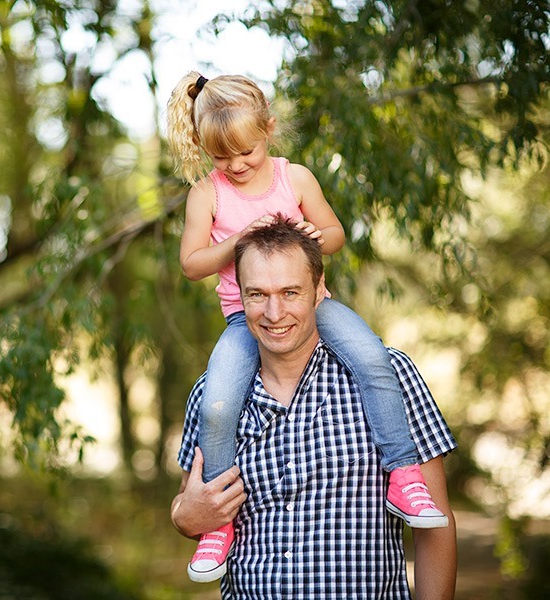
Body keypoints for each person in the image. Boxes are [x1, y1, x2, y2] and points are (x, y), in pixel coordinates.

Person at [166, 72, 448, 583]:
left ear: (268, 129)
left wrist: (311, 237)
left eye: (246, 151)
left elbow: (335, 233)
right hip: (239, 316)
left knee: (372, 358)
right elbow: (191, 263)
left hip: (318, 302)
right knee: (220, 398)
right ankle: (219, 527)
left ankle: (404, 474)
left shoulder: (293, 178)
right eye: (221, 156)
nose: (235, 165)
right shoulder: (207, 194)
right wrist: (241, 240)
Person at [170, 216, 458, 598]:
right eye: (257, 294)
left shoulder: (389, 376)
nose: (274, 314)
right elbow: (189, 506)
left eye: (290, 292)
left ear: (319, 289)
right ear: (239, 295)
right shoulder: (214, 395)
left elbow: (434, 525)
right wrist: (184, 517)